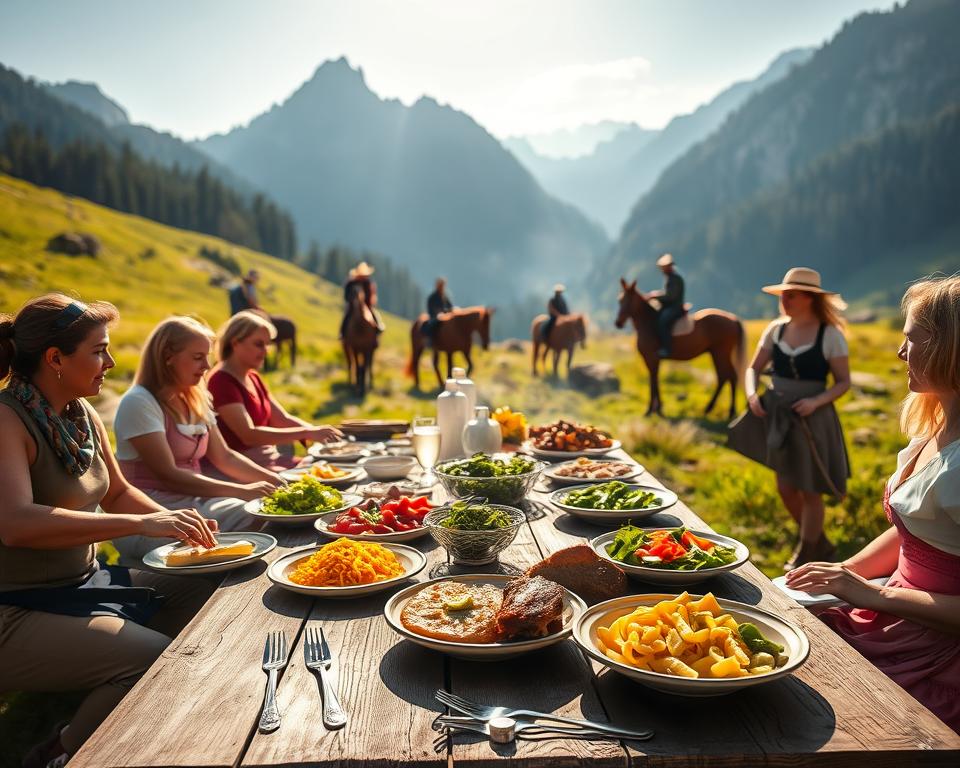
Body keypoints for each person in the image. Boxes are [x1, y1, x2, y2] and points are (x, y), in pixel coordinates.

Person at [0, 294, 218, 766]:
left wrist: (177, 523)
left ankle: (152, 705)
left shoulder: (82, 414)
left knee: (206, 592)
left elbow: (117, 493)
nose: (111, 362)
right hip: (15, 605)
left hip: (83, 583)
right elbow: (15, 524)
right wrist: (145, 522)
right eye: (98, 350)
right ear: (55, 359)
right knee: (151, 657)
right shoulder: (6, 419)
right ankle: (63, 750)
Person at [787, 275, 960, 733]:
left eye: (911, 340)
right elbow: (913, 533)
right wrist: (844, 573)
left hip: (933, 651)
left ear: (950, 347)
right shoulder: (936, 428)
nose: (901, 353)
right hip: (893, 613)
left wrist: (873, 592)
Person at [111, 316, 283, 565]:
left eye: (207, 356)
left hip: (192, 503)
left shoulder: (197, 396)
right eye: (198, 357)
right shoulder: (139, 402)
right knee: (253, 515)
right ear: (168, 356)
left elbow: (224, 456)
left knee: (263, 512)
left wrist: (274, 481)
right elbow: (168, 474)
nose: (206, 365)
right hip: (152, 510)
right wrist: (243, 490)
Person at [728, 267, 850, 570]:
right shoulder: (776, 329)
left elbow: (843, 382)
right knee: (785, 486)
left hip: (813, 418)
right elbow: (752, 369)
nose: (785, 300)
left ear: (809, 298)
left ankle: (806, 550)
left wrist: (815, 401)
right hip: (778, 415)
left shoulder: (830, 334)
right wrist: (752, 395)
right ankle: (819, 541)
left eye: (791, 295)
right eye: (783, 295)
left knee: (810, 488)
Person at [208, 311, 342, 470]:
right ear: (235, 343)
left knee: (334, 468)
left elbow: (282, 419)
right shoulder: (221, 381)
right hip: (246, 467)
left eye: (267, 344)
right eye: (258, 344)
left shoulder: (252, 377)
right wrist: (307, 432)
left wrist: (320, 433)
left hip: (270, 460)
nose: (265, 351)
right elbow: (248, 435)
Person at [646, 253, 685, 357]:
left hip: (675, 307)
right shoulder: (670, 278)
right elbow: (667, 294)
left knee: (663, 322)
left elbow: (671, 297)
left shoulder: (675, 279)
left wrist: (655, 296)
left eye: (664, 267)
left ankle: (667, 349)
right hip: (670, 306)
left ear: (669, 266)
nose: (662, 270)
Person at [339, 262, 383, 338]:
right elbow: (346, 296)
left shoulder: (368, 283)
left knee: (373, 313)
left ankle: (378, 327)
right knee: (347, 316)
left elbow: (372, 295)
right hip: (353, 306)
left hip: (366, 305)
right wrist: (353, 302)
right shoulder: (351, 283)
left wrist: (367, 303)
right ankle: (342, 333)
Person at [422, 277, 454, 343]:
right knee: (432, 324)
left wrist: (446, 311)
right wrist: (436, 313)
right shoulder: (433, 297)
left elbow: (450, 307)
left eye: (443, 285)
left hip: (445, 316)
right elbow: (430, 308)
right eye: (441, 285)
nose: (442, 287)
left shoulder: (445, 296)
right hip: (434, 316)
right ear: (437, 285)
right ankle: (430, 341)